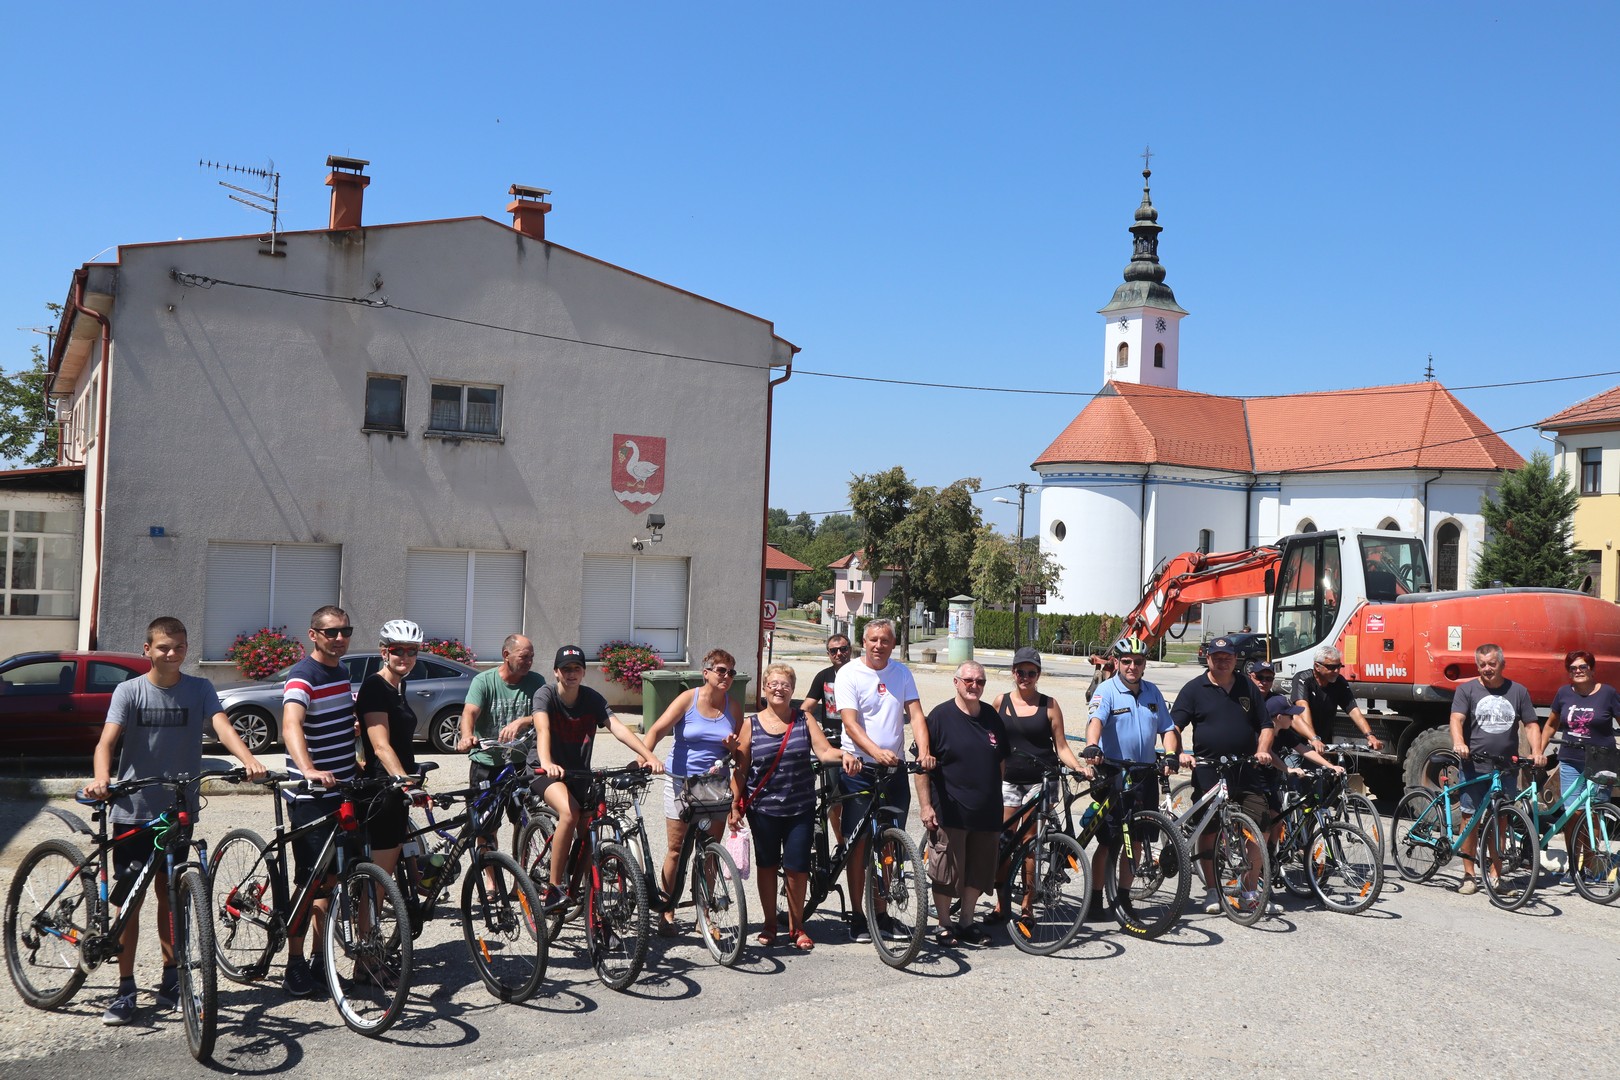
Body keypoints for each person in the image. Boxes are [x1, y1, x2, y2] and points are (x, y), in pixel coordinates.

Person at [86, 616, 267, 1026]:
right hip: (133, 808)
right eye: (164, 647)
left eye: (180, 646)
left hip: (178, 811)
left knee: (171, 895)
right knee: (129, 901)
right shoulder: (129, 691)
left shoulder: (200, 689)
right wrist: (102, 779)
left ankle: (172, 977)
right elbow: (106, 742)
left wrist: (249, 760)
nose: (172, 653)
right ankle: (126, 987)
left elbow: (222, 727)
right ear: (147, 649)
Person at [731, 663, 852, 951]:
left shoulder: (804, 719)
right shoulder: (750, 724)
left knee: (797, 869)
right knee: (768, 866)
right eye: (773, 683)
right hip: (763, 809)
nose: (779, 688)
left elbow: (823, 752)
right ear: (764, 688)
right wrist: (735, 804)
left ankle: (797, 927)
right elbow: (740, 769)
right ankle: (771, 924)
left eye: (785, 684)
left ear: (793, 690)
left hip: (800, 808)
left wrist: (846, 754)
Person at [533, 645, 664, 906]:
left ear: (583, 672)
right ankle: (553, 888)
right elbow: (542, 729)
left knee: (587, 831)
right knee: (569, 813)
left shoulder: (592, 698)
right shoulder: (545, 694)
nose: (571, 674)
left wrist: (649, 756)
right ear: (556, 672)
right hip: (545, 770)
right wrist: (547, 762)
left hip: (579, 773)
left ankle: (579, 893)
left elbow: (618, 728)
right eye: (566, 669)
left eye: (577, 669)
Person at [833, 617, 934, 944]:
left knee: (889, 844)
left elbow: (916, 714)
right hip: (859, 768)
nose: (879, 646)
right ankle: (859, 917)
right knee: (859, 846)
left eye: (886, 641)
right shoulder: (849, 673)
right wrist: (876, 752)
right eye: (874, 640)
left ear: (893, 643)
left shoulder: (901, 673)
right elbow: (849, 723)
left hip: (893, 770)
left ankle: (880, 913)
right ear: (864, 642)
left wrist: (924, 751)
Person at [279, 605, 361, 998]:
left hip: (343, 789)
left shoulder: (340, 672)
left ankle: (318, 959)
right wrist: (307, 768)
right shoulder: (302, 675)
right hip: (311, 794)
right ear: (313, 635)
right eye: (330, 632)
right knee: (310, 883)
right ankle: (293, 964)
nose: (339, 638)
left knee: (331, 883)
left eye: (345, 631)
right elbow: (292, 723)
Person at [1170, 636, 1278, 916]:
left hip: (1245, 768)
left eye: (1227, 657)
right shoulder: (1194, 689)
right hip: (1209, 769)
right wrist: (1180, 752)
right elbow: (1174, 726)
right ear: (1208, 659)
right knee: (1210, 830)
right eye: (1216, 657)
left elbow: (1266, 725)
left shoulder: (1246, 686)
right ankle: (1211, 891)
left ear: (1235, 659)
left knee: (1261, 826)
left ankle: (1248, 890)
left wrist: (1263, 750)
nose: (1222, 661)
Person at [642, 648, 743, 935]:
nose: (726, 676)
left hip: (714, 786)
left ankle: (704, 915)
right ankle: (667, 910)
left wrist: (733, 747)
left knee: (709, 851)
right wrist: (646, 756)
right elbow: (657, 730)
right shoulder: (689, 699)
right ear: (706, 673)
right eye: (721, 670)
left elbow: (739, 752)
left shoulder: (734, 707)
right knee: (676, 849)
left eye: (731, 672)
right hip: (681, 783)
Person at [1082, 637, 1179, 922]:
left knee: (1135, 841)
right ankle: (1096, 900)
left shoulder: (1152, 692)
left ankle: (1123, 898)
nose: (1132, 667)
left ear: (1144, 664)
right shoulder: (1106, 690)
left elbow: (1168, 727)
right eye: (1126, 661)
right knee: (1109, 841)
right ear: (1116, 663)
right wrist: (1093, 747)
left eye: (1138, 662)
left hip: (1144, 774)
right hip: (1113, 773)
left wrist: (1171, 753)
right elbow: (1095, 722)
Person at [990, 646, 1085, 924]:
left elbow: (1062, 746)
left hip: (1041, 781)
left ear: (1038, 675)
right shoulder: (1000, 702)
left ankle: (1027, 905)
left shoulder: (1050, 705)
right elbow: (991, 743)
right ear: (1013, 672)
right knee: (1004, 842)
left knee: (1030, 844)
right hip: (1008, 779)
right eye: (1020, 672)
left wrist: (1077, 766)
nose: (1025, 677)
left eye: (1031, 673)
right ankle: (1001, 904)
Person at [915, 661, 1007, 947]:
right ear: (956, 682)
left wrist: (993, 795)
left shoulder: (991, 716)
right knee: (945, 873)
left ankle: (966, 922)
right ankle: (944, 924)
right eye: (968, 680)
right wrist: (926, 806)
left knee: (979, 872)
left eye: (980, 682)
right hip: (950, 810)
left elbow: (1001, 761)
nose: (974, 686)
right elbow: (922, 767)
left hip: (986, 812)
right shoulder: (940, 717)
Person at [1448, 643, 1543, 893]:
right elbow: (1457, 719)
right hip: (1475, 764)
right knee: (1471, 817)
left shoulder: (1518, 691)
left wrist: (1536, 751)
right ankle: (1469, 875)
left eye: (1492, 663)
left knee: (1500, 819)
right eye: (1482, 664)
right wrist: (1459, 742)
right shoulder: (1466, 690)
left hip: (1505, 768)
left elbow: (1531, 724)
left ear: (1502, 663)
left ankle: (1495, 874)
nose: (1487, 668)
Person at [355, 620, 427, 904]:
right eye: (399, 650)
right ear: (384, 651)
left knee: (404, 854)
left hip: (398, 787)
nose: (406, 658)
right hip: (383, 789)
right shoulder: (375, 687)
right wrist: (405, 782)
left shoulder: (399, 685)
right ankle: (365, 944)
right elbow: (381, 746)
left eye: (412, 651)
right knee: (379, 881)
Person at [1538, 649, 1620, 880]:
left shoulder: (1608, 693)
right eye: (1573, 668)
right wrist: (1538, 751)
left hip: (1602, 760)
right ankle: (1574, 868)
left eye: (1583, 667)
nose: (1578, 671)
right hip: (1571, 761)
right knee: (1573, 814)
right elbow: (1551, 725)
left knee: (1594, 813)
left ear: (1592, 669)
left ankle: (1592, 864)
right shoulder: (1564, 693)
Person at [459, 634, 545, 849]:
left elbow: (544, 713)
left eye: (531, 657)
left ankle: (521, 873)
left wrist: (523, 721)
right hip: (487, 762)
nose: (529, 662)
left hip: (520, 762)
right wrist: (467, 735)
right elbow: (469, 712)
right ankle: (490, 879)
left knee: (524, 819)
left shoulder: (536, 682)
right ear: (506, 655)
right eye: (524, 657)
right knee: (486, 825)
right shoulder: (484, 681)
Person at [800, 633, 853, 841]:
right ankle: (841, 843)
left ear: (850, 649)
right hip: (831, 746)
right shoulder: (824, 677)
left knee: (857, 797)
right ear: (828, 654)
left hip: (858, 746)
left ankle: (858, 842)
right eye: (834, 650)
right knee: (835, 799)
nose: (839, 653)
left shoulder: (862, 673)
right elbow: (807, 707)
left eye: (843, 649)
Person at [1290, 646, 1384, 752]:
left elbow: (1354, 710)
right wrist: (1313, 738)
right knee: (1294, 767)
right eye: (1331, 667)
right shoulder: (1303, 679)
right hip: (1297, 742)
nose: (1336, 671)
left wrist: (1370, 736)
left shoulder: (1339, 682)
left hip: (1321, 741)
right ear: (1317, 666)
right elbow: (1303, 708)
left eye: (1339, 666)